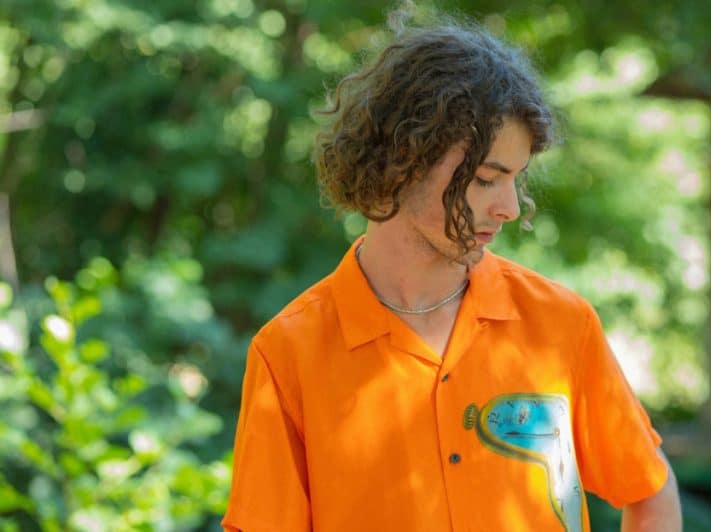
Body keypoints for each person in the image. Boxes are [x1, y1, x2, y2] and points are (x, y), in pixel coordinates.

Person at [222, 11, 683, 532]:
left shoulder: (561, 325)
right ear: (404, 159)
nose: (510, 207)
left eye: (515, 179)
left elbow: (650, 492)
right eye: (486, 179)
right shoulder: (288, 354)